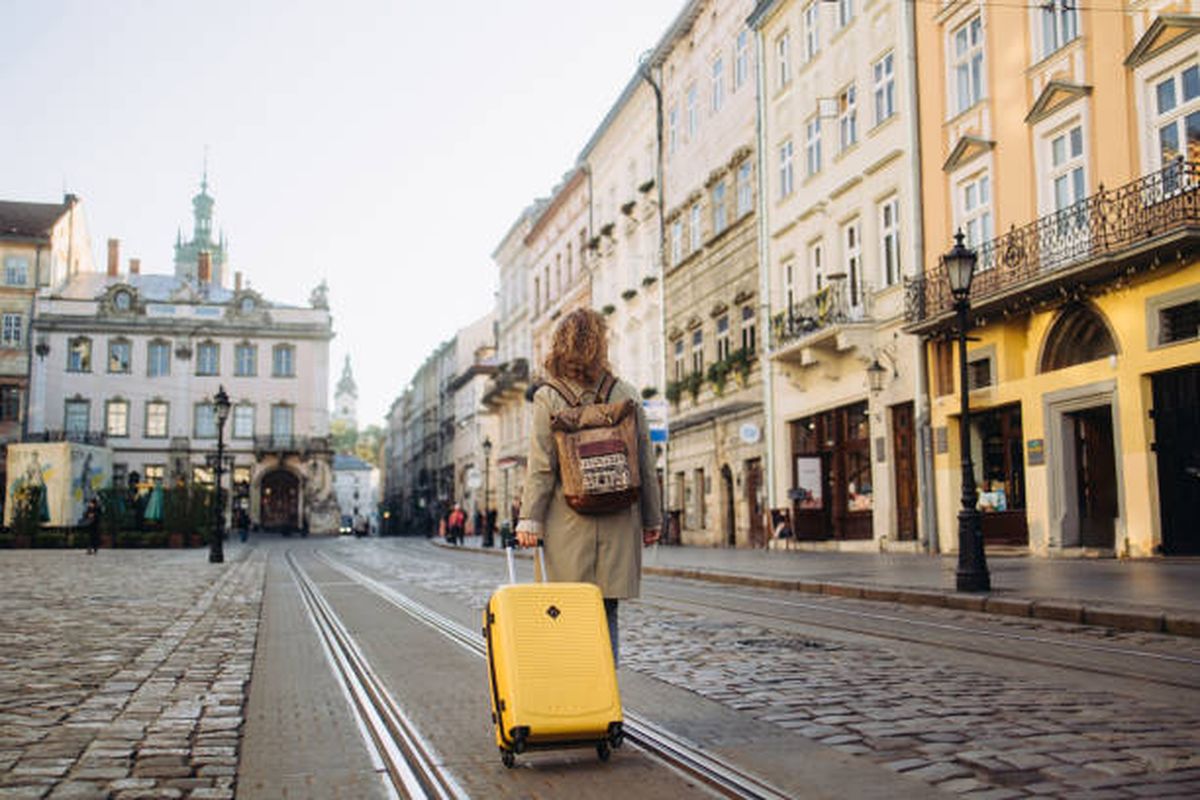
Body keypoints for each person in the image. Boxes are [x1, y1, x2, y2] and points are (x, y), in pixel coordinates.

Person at [515, 308, 661, 666]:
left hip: (567, 521)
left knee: (564, 611)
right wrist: (651, 519)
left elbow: (542, 466)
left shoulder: (549, 396)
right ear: (601, 345)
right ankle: (605, 697)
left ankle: (573, 691)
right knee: (605, 609)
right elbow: (645, 461)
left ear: (559, 346)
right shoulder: (624, 392)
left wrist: (529, 519)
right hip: (619, 516)